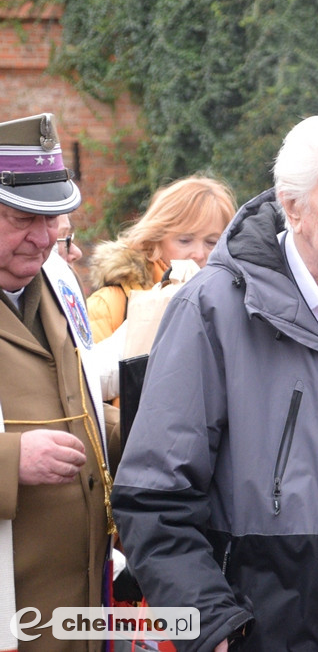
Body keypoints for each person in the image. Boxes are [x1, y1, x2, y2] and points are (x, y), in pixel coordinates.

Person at [111, 113, 318, 651]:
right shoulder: (215, 306)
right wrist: (208, 622)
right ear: (292, 206)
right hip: (254, 626)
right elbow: (153, 494)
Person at [0, 112, 118, 651]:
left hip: (78, 609)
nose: (45, 238)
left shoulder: (59, 280)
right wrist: (9, 460)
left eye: (54, 218)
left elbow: (82, 407)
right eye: (22, 217)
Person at [86, 175, 235, 342]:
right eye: (185, 240)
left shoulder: (235, 304)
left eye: (211, 242)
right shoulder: (110, 305)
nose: (199, 254)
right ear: (154, 240)